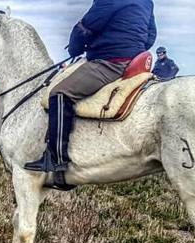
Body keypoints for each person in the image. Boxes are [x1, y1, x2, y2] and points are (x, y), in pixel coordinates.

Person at [24, 0, 156, 181]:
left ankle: (56, 158)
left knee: (60, 94)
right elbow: (150, 36)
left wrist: (74, 49)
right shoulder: (147, 2)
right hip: (135, 62)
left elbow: (85, 28)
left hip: (111, 62)